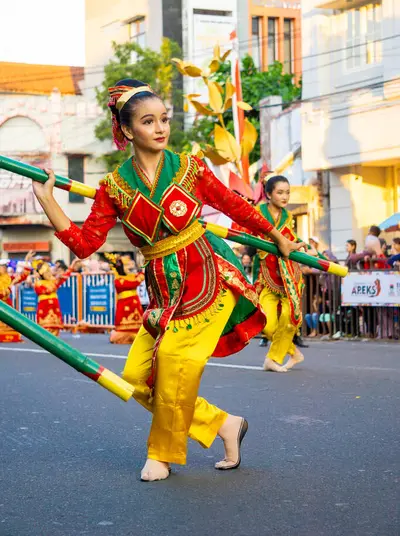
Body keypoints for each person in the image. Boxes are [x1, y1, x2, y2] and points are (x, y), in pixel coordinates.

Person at [31, 78, 303, 482]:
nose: (160, 128)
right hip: (161, 286)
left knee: (178, 360)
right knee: (136, 378)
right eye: (147, 121)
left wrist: (276, 234)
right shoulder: (114, 187)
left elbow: (233, 206)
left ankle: (162, 454)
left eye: (163, 119)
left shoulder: (191, 168)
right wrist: (48, 201)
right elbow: (86, 244)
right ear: (127, 130)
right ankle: (222, 425)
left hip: (207, 273)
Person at [252, 175, 305, 372]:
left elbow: (291, 237)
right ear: (268, 194)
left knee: (289, 321)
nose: (285, 197)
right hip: (267, 276)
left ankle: (272, 359)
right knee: (265, 323)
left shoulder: (288, 217)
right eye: (280, 192)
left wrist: (304, 246)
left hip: (288, 275)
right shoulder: (256, 213)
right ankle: (293, 352)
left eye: (288, 192)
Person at [106, 253, 145, 344]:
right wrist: (141, 275)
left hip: (135, 304)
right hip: (124, 306)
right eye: (127, 265)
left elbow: (139, 278)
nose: (130, 267)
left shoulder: (131, 276)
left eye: (131, 265)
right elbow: (134, 283)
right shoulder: (119, 280)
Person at [33, 259, 78, 337]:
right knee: (45, 327)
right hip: (45, 307)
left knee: (55, 327)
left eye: (49, 271)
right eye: (47, 272)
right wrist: (57, 279)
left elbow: (66, 275)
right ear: (41, 274)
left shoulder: (53, 281)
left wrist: (73, 263)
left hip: (54, 306)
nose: (49, 274)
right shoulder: (38, 284)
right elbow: (48, 290)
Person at [0, 252, 34, 342]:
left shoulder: (9, 277)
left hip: (6, 304)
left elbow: (23, 275)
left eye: (5, 267)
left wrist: (26, 261)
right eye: (3, 266)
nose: (5, 268)